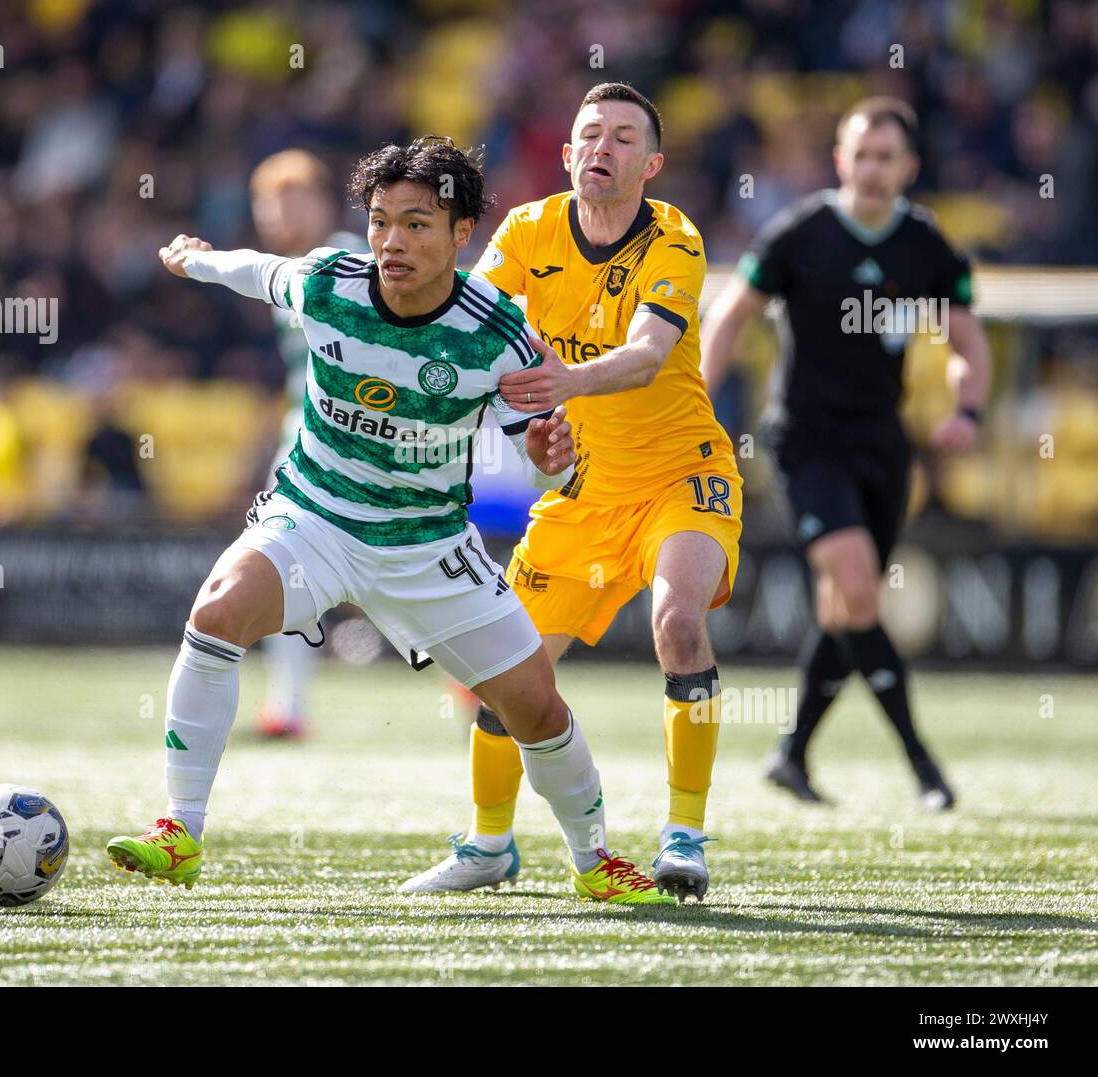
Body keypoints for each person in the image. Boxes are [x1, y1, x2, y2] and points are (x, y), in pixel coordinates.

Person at [106, 136, 670, 904]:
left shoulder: (499, 331)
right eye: (379, 222)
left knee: (536, 705)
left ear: (461, 232)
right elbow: (256, 272)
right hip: (316, 518)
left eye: (415, 224)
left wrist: (549, 450)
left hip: (428, 545)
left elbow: (553, 465)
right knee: (217, 611)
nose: (392, 242)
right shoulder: (330, 282)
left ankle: (595, 857)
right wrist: (195, 259)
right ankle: (181, 830)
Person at [400, 83, 743, 903]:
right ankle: (488, 845)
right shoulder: (527, 230)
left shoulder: (676, 239)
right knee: (502, 670)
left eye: (626, 138)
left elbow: (646, 355)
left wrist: (562, 382)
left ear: (651, 165)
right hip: (585, 493)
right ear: (566, 153)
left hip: (680, 473)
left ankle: (684, 836)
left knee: (678, 620)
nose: (604, 146)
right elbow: (470, 322)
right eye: (591, 133)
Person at [700, 97, 992, 810]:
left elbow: (967, 341)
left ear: (909, 167)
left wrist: (968, 407)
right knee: (859, 587)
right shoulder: (803, 232)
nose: (870, 168)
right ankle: (925, 767)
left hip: (883, 445)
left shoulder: (925, 244)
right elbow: (731, 313)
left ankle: (792, 754)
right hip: (806, 441)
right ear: (840, 160)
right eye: (859, 154)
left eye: (885, 156)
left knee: (844, 606)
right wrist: (699, 405)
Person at [246, 150, 366, 739]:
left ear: (323, 203)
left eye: (292, 199)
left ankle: (288, 708)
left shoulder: (343, 258)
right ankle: (287, 707)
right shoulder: (287, 268)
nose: (277, 213)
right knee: (286, 566)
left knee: (283, 565)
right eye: (267, 202)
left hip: (347, 445)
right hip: (309, 439)